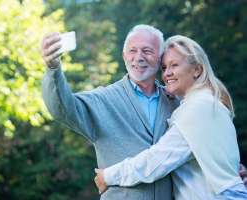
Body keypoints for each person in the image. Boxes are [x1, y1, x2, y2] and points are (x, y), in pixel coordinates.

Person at [94, 35, 247, 199]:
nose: (167, 73)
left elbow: (157, 161)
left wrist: (108, 176)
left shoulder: (197, 108)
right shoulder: (209, 102)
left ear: (197, 69)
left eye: (174, 65)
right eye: (164, 68)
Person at [40, 24, 180, 199]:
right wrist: (52, 69)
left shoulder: (175, 103)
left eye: (147, 51)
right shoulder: (104, 99)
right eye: (132, 51)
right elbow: (63, 108)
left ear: (161, 59)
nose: (138, 57)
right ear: (123, 56)